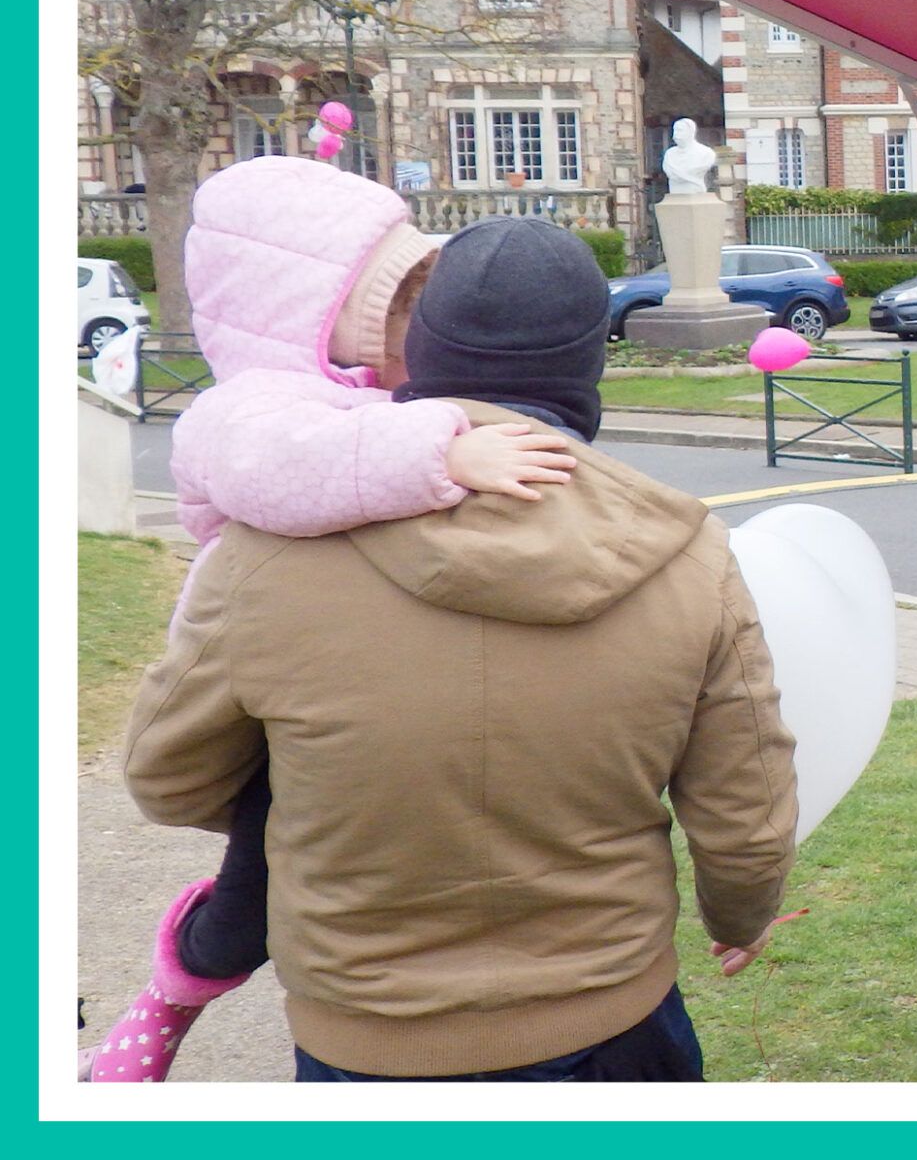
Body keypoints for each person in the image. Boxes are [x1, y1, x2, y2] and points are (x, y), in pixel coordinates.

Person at [123, 217, 800, 1082]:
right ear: (590, 362)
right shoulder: (689, 554)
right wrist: (741, 916)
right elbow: (745, 809)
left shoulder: (267, 553)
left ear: (426, 346)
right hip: (610, 1019)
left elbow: (165, 774)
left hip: (360, 1038)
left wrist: (344, 785)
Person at [83, 158, 577, 1082]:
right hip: (269, 687)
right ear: (321, 321)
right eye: (398, 319)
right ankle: (171, 996)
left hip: (350, 676)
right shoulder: (252, 411)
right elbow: (293, 469)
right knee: (250, 900)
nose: (417, 346)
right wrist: (447, 451)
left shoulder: (361, 400)